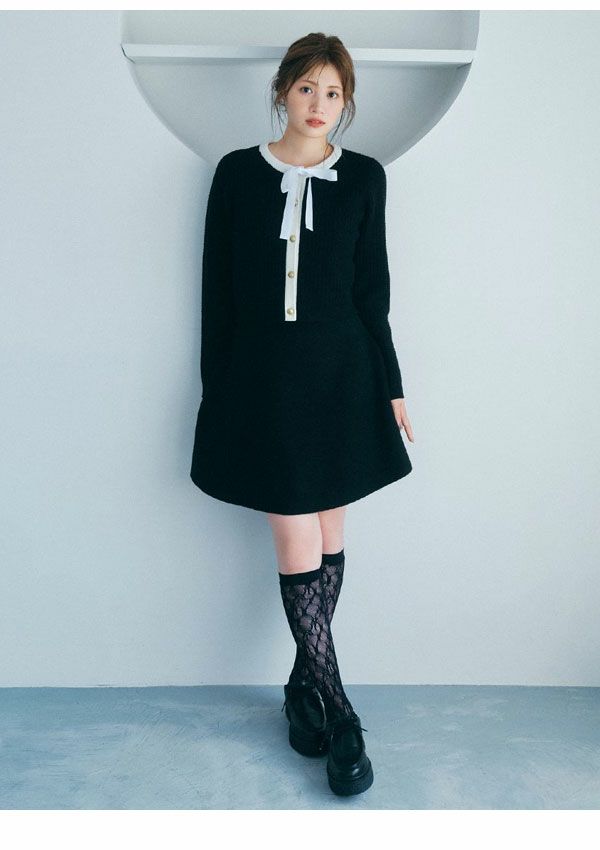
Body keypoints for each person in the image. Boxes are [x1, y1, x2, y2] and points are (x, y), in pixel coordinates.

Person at [190, 32, 415, 797]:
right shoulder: (236, 174)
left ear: (346, 102)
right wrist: (217, 389)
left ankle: (301, 688)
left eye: (334, 92)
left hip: (343, 378)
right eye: (308, 88)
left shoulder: (365, 178)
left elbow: (372, 294)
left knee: (329, 534)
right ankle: (341, 713)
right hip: (264, 382)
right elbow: (217, 294)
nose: (320, 104)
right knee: (296, 534)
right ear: (283, 90)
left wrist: (391, 386)